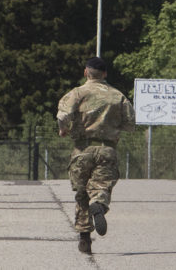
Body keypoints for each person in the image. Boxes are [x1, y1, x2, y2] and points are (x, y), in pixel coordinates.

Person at [56, 57, 135, 254]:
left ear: (86, 73)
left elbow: (62, 116)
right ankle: (99, 203)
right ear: (105, 74)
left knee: (82, 193)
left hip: (82, 150)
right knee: (102, 186)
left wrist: (63, 129)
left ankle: (85, 240)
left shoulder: (77, 93)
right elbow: (130, 125)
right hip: (107, 149)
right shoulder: (118, 96)